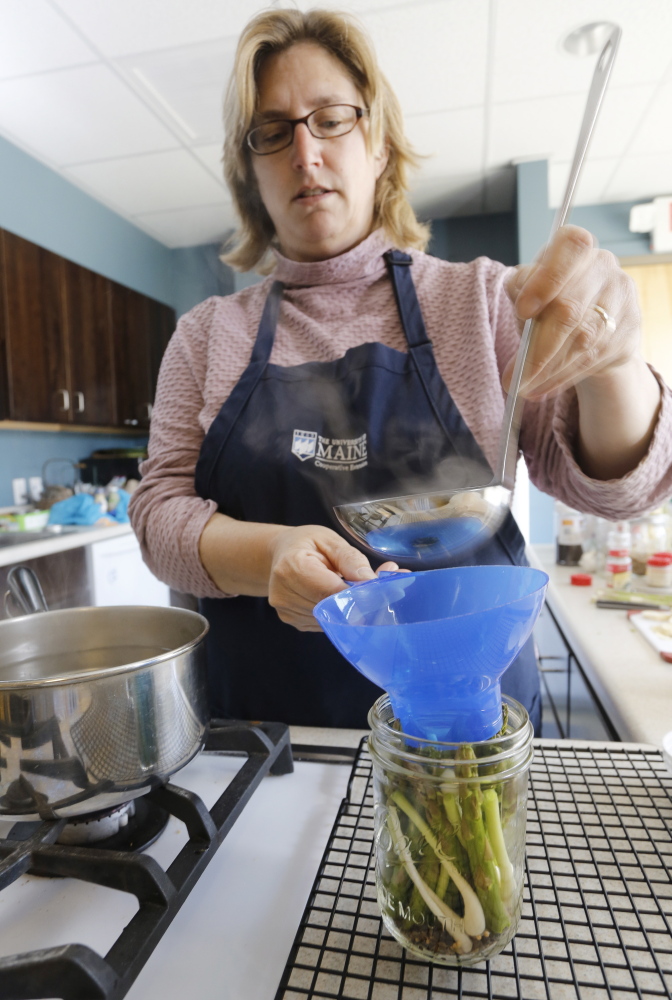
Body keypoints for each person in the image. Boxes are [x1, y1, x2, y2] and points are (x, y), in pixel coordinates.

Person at [129, 8, 672, 734]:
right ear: (249, 170)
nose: (304, 151)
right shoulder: (204, 336)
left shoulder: (482, 299)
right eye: (273, 131)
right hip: (273, 745)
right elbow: (159, 516)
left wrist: (614, 362)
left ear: (378, 144)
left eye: (331, 119)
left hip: (468, 744)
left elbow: (616, 488)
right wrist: (271, 557)